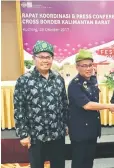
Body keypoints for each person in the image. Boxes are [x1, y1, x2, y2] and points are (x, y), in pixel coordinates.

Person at [14, 40, 68, 168]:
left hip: (57, 134)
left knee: (59, 165)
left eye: (48, 57)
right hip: (36, 136)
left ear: (52, 58)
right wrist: (23, 134)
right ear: (34, 58)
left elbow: (64, 103)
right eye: (41, 57)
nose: (45, 60)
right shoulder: (24, 80)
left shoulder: (58, 78)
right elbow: (19, 108)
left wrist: (66, 124)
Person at [68, 49, 114, 168]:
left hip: (92, 129)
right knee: (79, 162)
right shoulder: (75, 84)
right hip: (79, 131)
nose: (88, 68)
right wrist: (109, 106)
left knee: (89, 162)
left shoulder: (93, 79)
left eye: (90, 65)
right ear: (77, 67)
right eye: (84, 65)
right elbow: (87, 105)